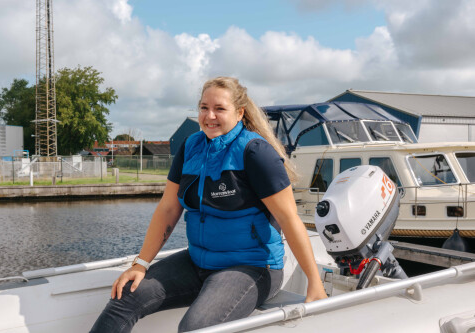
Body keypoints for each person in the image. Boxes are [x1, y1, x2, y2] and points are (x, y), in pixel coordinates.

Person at [90, 77, 327, 333]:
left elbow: (289, 218)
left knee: (196, 328)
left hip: (252, 266)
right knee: (126, 296)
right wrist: (141, 264)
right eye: (204, 107)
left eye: (219, 109)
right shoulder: (190, 147)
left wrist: (315, 282)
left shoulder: (255, 152)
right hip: (198, 261)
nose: (209, 116)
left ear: (239, 113)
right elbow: (168, 209)